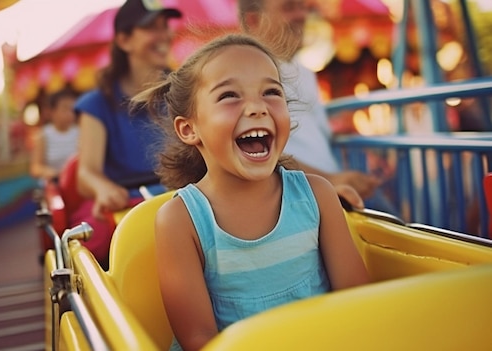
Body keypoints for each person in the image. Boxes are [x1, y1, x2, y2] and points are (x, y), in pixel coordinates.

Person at [133, 33, 369, 351]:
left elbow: (359, 304)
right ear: (190, 129)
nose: (258, 107)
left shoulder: (318, 196)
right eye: (230, 95)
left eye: (271, 92)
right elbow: (199, 340)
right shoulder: (180, 220)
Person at [237, 0, 389, 210]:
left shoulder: (303, 71)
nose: (301, 15)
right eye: (289, 8)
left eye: (303, 7)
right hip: (294, 204)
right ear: (253, 20)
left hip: (324, 196)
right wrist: (330, 180)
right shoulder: (244, 72)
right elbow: (252, 154)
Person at [73, 0, 182, 269]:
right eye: (151, 28)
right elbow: (86, 173)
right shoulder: (96, 104)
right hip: (126, 204)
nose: (164, 35)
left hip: (178, 197)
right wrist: (103, 188)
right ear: (124, 40)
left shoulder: (183, 94)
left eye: (165, 26)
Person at [29, 88, 79, 182]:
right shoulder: (43, 135)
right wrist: (56, 174)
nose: (70, 113)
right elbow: (36, 168)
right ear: (52, 112)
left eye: (72, 109)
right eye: (65, 109)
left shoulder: (80, 132)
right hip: (54, 184)